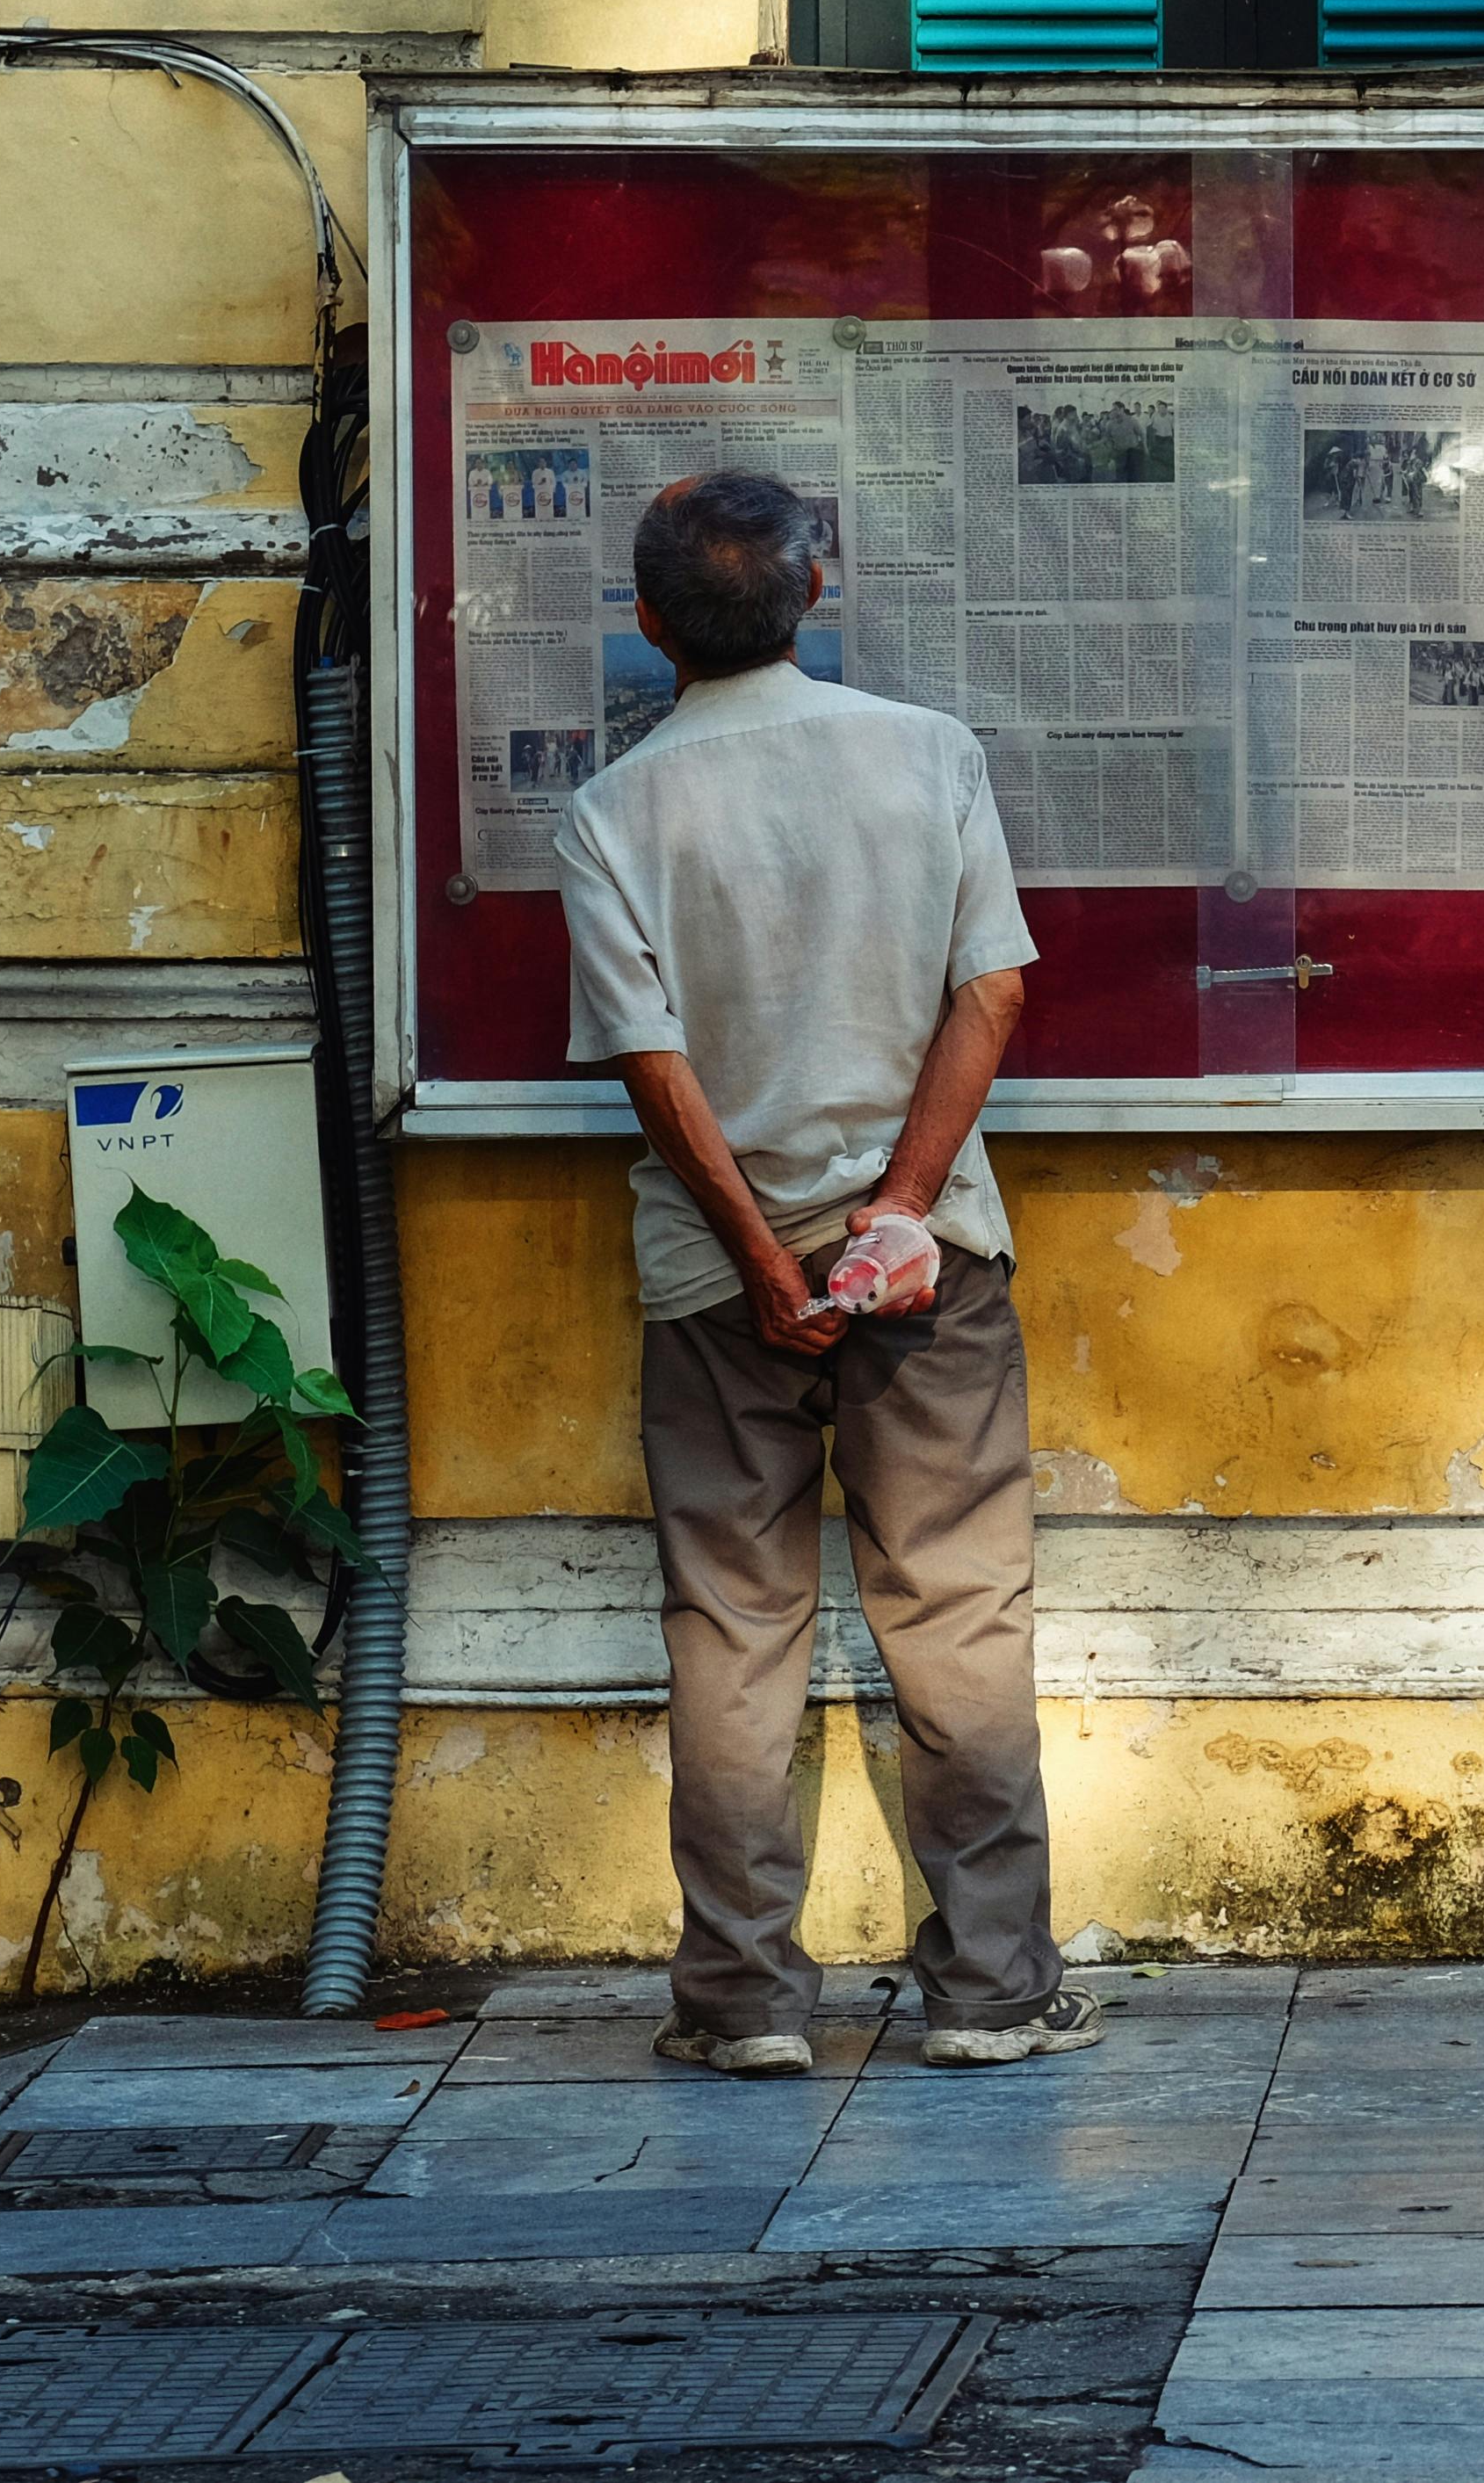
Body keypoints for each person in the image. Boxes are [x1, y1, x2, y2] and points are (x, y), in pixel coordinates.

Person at [551, 469, 1102, 2077]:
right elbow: (991, 990)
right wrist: (900, 1211)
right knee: (962, 1615)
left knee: (731, 1627)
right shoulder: (924, 754)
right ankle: (993, 1993)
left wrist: (759, 1257)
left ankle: (737, 2005)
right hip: (930, 1271)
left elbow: (651, 1067)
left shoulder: (615, 811)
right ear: (815, 589)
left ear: (649, 624)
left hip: (718, 1288)